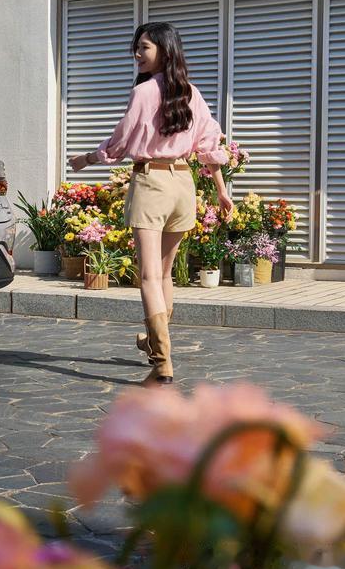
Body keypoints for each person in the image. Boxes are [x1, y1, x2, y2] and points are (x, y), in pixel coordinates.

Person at [68, 22, 232, 386]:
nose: (137, 54)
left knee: (148, 276)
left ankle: (162, 364)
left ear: (164, 51)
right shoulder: (192, 93)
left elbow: (120, 142)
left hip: (151, 181)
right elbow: (209, 145)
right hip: (183, 184)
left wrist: (87, 159)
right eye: (137, 47)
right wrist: (222, 191)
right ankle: (153, 342)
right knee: (164, 273)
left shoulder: (143, 92)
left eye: (144, 47)